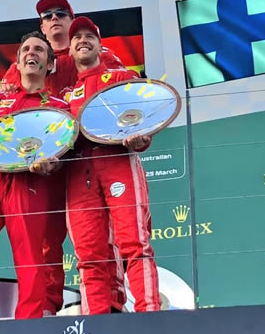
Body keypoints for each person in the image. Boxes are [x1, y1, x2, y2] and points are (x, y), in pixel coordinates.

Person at [0, 0, 128, 315]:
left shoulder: (99, 53)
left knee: (99, 236)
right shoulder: (31, 61)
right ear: (42, 27)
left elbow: (124, 95)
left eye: (62, 13)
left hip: (89, 158)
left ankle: (110, 305)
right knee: (44, 238)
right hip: (42, 166)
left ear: (72, 21)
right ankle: (45, 306)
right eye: (48, 15)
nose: (55, 18)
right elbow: (3, 105)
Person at [0, 32, 67, 321]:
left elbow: (60, 156)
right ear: (17, 63)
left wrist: (51, 166)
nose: (31, 53)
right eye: (26, 50)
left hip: (28, 181)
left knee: (30, 257)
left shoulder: (59, 106)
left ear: (50, 64)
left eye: (39, 50)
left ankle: (29, 324)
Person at [64, 16, 160, 314]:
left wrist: (140, 140)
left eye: (89, 35)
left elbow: (143, 122)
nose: (82, 40)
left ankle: (150, 314)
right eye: (76, 37)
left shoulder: (121, 78)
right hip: (79, 172)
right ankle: (98, 320)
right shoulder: (66, 96)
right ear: (69, 50)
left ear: (99, 44)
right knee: (89, 256)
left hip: (118, 162)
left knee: (134, 242)